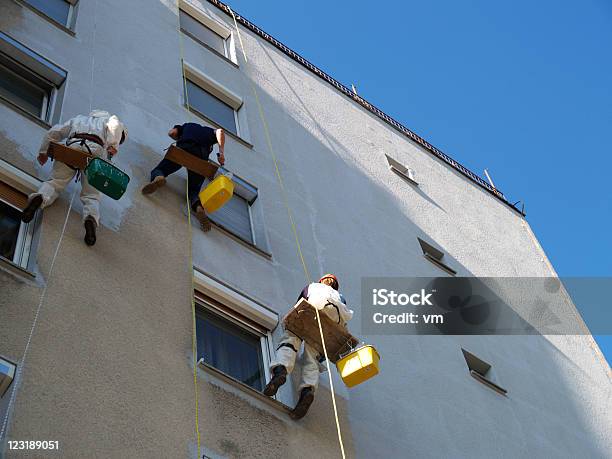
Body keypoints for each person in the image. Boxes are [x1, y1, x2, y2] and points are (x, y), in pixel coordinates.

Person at [21, 110, 128, 246]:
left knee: (55, 182)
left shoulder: (78, 118)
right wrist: (113, 144)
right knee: (92, 196)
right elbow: (115, 125)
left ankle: (40, 197)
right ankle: (90, 219)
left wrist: (43, 151)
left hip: (72, 147)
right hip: (93, 153)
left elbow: (55, 131)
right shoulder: (110, 120)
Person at [264, 274, 353, 419]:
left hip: (312, 309)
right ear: (335, 286)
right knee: (313, 357)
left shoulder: (313, 286)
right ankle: (307, 390)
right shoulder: (340, 297)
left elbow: (300, 303)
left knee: (291, 339)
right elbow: (343, 322)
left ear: (322, 281)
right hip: (332, 322)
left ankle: (280, 371)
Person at [141, 123, 225, 231]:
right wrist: (221, 153)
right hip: (200, 159)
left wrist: (180, 138)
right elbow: (220, 132)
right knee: (194, 190)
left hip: (183, 149)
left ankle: (159, 177)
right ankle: (198, 207)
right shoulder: (208, 131)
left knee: (160, 169)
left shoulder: (186, 126)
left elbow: (171, 133)